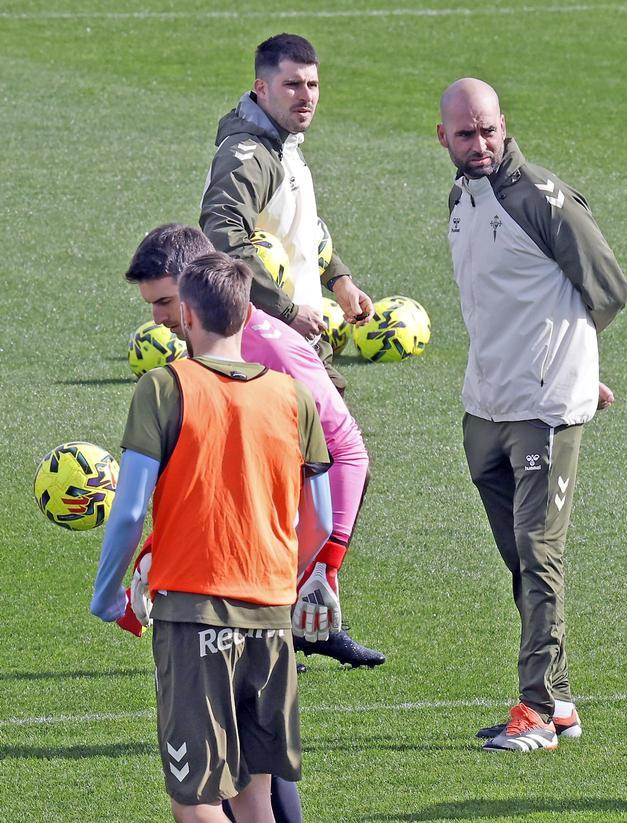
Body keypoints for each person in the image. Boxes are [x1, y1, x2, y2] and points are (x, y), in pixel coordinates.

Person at [90, 253, 335, 823]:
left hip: (195, 615)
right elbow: (320, 521)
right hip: (272, 618)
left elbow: (127, 515)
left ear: (190, 316)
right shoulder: (292, 397)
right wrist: (278, 581)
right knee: (255, 800)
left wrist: (108, 595)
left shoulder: (163, 388)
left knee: (195, 801)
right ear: (248, 313)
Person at [437, 77, 627, 752]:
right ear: (445, 139)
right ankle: (561, 697)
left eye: (489, 129)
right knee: (519, 557)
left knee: (540, 553)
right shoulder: (461, 198)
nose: (482, 143)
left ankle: (536, 711)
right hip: (484, 405)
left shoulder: (543, 198)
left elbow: (608, 288)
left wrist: (577, 365)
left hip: (543, 407)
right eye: (467, 134)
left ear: (504, 124)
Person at [121, 224, 386, 670]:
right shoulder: (209, 345)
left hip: (277, 528)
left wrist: (325, 566)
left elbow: (347, 450)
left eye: (164, 303)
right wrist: (154, 550)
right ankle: (284, 632)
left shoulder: (273, 350)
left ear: (197, 283)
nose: (158, 319)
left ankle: (292, 628)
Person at [200, 32, 373, 392]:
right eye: (292, 84)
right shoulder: (246, 156)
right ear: (261, 88)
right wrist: (287, 312)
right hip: (268, 345)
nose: (306, 96)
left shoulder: (284, 145)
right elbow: (223, 238)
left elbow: (300, 229)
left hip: (298, 337)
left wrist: (339, 281)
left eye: (312, 84)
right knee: (334, 444)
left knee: (331, 444)